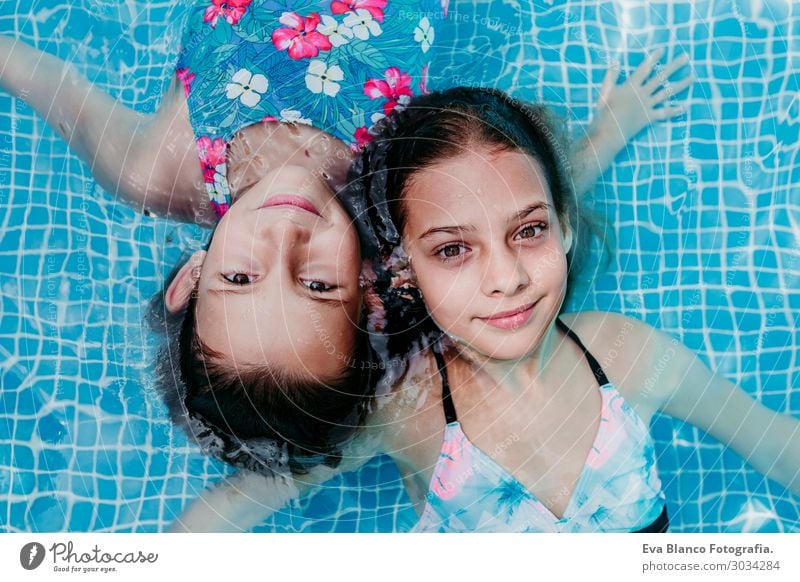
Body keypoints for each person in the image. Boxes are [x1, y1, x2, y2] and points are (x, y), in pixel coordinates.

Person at [0, 2, 693, 475]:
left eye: (240, 278)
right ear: (367, 292)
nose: (285, 238)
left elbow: (45, 79)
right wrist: (612, 128)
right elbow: (512, 197)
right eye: (316, 284)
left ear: (191, 274)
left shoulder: (153, 171)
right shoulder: (398, 194)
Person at [172, 86, 798, 533]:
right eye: (451, 250)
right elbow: (234, 506)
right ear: (403, 273)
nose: (506, 279)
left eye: (530, 234)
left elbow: (774, 442)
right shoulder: (404, 410)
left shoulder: (631, 357)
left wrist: (610, 127)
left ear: (564, 230)